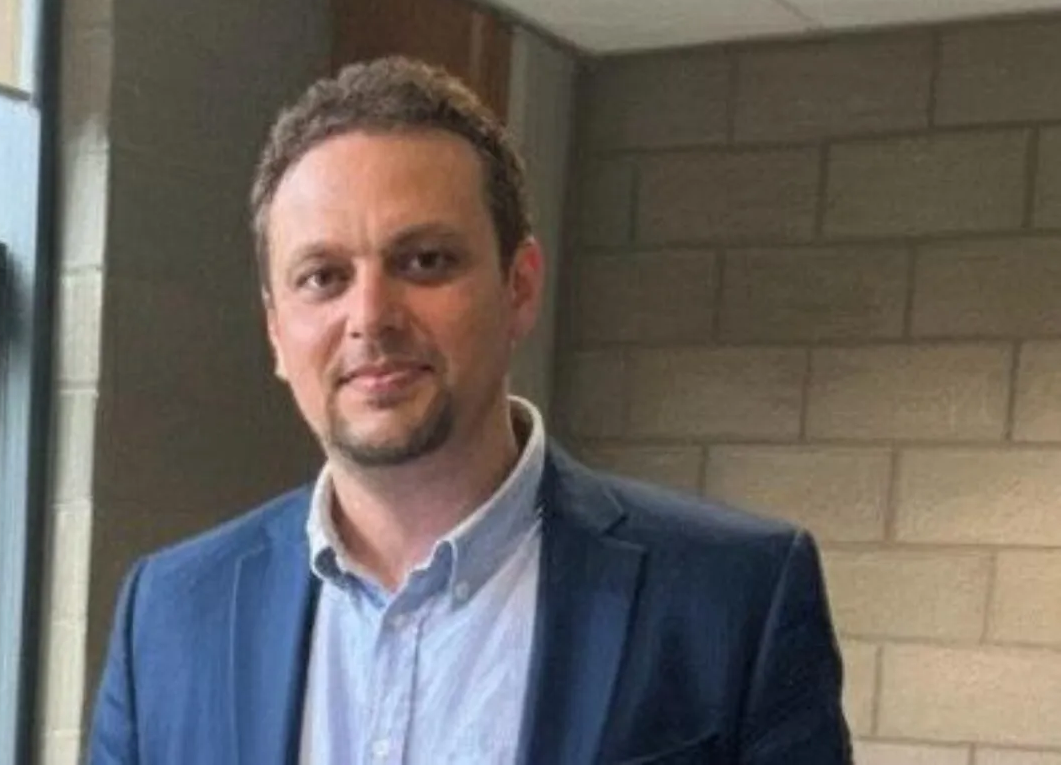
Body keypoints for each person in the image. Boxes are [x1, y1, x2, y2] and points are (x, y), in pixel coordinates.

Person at [88, 57, 852, 765]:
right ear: (277, 333)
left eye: (424, 261)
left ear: (518, 288)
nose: (371, 317)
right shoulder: (170, 613)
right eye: (323, 277)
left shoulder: (732, 597)